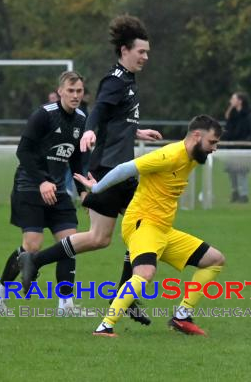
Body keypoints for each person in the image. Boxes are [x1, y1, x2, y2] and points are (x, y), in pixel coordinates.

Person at [18, 15, 162, 325]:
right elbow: (97, 110)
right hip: (111, 170)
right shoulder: (115, 80)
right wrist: (90, 130)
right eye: (141, 52)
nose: (146, 57)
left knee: (131, 232)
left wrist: (137, 131)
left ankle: (124, 294)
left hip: (122, 168)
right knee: (113, 235)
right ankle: (38, 261)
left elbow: (115, 117)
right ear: (124, 50)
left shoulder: (128, 79)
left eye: (147, 52)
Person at [73, 115, 225, 337]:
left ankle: (181, 317)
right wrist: (95, 189)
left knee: (214, 260)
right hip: (141, 224)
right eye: (212, 142)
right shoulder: (169, 155)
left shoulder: (193, 156)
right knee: (145, 273)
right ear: (196, 136)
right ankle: (104, 327)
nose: (215, 148)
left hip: (163, 230)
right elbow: (126, 168)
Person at [0, 71, 88, 313]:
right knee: (32, 246)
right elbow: (23, 151)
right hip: (30, 186)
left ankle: (66, 305)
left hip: (59, 191)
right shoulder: (44, 115)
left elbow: (75, 159)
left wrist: (83, 191)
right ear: (60, 91)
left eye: (79, 91)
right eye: (70, 91)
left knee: (69, 243)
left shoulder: (83, 119)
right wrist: (42, 181)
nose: (75, 95)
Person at [221, 92, 251, 203]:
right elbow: (227, 124)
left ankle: (244, 195)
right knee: (232, 172)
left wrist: (246, 143)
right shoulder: (233, 114)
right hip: (231, 147)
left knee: (241, 172)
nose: (231, 100)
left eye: (233, 99)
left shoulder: (248, 115)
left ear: (240, 101)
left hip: (243, 147)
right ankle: (235, 192)